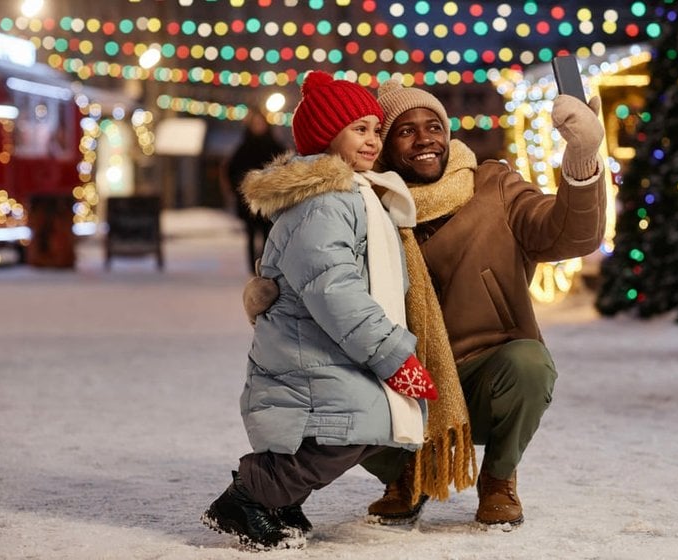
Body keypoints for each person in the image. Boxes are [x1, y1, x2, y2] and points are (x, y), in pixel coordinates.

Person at [244, 77, 607, 529]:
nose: (424, 140)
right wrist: (272, 288)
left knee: (529, 364)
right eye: (404, 130)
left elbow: (572, 233)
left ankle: (497, 479)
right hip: (397, 368)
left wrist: (582, 158)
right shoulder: (367, 199)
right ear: (387, 146)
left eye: (433, 126)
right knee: (345, 395)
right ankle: (404, 477)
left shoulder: (493, 186)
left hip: (481, 366)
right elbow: (320, 265)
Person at [201, 71, 439, 551]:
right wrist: (395, 357)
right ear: (327, 137)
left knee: (371, 424)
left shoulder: (354, 192)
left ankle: (278, 499)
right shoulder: (326, 202)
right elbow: (335, 290)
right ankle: (247, 497)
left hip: (329, 345)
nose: (373, 140)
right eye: (359, 129)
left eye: (375, 129)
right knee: (348, 429)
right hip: (311, 346)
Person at [224, 107, 287, 272]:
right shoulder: (243, 148)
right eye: (255, 123)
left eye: (260, 123)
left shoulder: (275, 146)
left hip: (270, 200)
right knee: (251, 234)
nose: (258, 126)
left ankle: (266, 267)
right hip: (250, 201)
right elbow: (232, 171)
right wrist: (241, 190)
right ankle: (253, 268)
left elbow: (286, 169)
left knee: (269, 235)